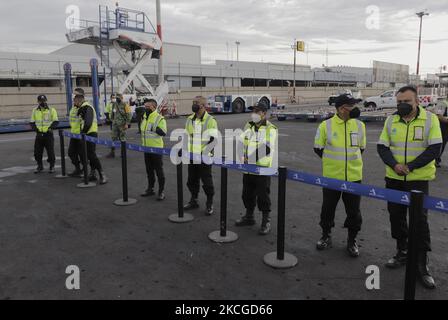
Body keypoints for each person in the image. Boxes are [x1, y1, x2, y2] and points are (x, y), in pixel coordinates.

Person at [377, 85, 442, 289]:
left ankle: (421, 265)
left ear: (417, 101)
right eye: (399, 102)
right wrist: (395, 165)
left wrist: (410, 167)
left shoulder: (430, 120)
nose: (402, 105)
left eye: (407, 102)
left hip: (418, 180)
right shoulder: (391, 120)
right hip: (394, 178)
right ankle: (402, 252)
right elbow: (382, 146)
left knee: (419, 222)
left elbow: (434, 149)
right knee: (396, 217)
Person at [313, 93, 366, 257]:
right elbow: (318, 147)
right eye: (351, 106)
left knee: (354, 212)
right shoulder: (325, 126)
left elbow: (361, 148)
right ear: (342, 109)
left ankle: (352, 240)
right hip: (331, 177)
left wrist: (348, 163)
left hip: (354, 177)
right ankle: (326, 236)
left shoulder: (359, 126)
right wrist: (334, 163)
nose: (355, 108)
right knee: (327, 209)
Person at [235, 101, 277, 235]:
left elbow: (267, 147)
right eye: (253, 111)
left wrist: (250, 158)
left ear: (264, 114)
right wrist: (241, 155)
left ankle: (266, 221)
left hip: (262, 168)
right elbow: (241, 142)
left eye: (257, 112)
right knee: (247, 194)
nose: (254, 114)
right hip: (248, 168)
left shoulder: (271, 129)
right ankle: (249, 217)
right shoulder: (248, 126)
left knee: (263, 196)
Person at [183, 96, 218, 215]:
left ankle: (209, 203)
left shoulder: (210, 120)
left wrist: (205, 154)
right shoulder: (189, 119)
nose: (194, 104)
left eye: (196, 103)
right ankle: (194, 200)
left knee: (207, 182)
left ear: (203, 105)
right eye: (193, 102)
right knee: (191, 180)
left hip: (204, 157)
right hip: (192, 156)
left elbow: (213, 139)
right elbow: (187, 136)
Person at [73, 88, 108, 185]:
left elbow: (88, 122)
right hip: (85, 134)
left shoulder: (87, 107)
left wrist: (83, 133)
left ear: (79, 100)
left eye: (75, 101)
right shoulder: (81, 108)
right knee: (86, 155)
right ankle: (93, 174)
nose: (74, 103)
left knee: (91, 155)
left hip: (90, 134)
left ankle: (102, 174)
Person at [140, 98, 167, 201]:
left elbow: (163, 132)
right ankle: (150, 189)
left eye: (147, 107)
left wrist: (153, 128)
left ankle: (161, 191)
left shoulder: (159, 118)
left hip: (156, 149)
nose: (145, 108)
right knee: (149, 170)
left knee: (159, 171)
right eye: (145, 107)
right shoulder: (145, 117)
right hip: (146, 149)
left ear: (153, 107)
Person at [30, 95, 59, 173]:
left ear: (46, 100)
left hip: (48, 135)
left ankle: (52, 166)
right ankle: (40, 166)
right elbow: (32, 122)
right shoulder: (35, 110)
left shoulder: (51, 110)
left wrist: (50, 128)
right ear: (38, 101)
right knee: (37, 152)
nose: (42, 102)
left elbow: (56, 121)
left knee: (50, 152)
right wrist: (37, 131)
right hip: (39, 135)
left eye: (44, 101)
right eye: (40, 101)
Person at [106, 93, 132, 158]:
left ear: (121, 98)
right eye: (116, 98)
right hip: (115, 125)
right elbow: (112, 113)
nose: (117, 99)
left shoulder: (125, 104)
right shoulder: (114, 104)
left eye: (118, 98)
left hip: (122, 125)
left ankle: (123, 153)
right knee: (113, 138)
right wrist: (112, 120)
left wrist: (127, 124)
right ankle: (112, 153)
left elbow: (129, 115)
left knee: (122, 138)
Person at [428, 94, 448, 167]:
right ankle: (435, 160)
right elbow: (439, 116)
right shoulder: (443, 104)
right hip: (443, 127)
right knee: (441, 144)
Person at [67, 99, 83, 177]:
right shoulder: (72, 109)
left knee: (82, 153)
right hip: (73, 134)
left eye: (76, 101)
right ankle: (78, 169)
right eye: (74, 101)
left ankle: (85, 171)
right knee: (71, 153)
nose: (75, 102)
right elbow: (71, 121)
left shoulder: (83, 108)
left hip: (80, 135)